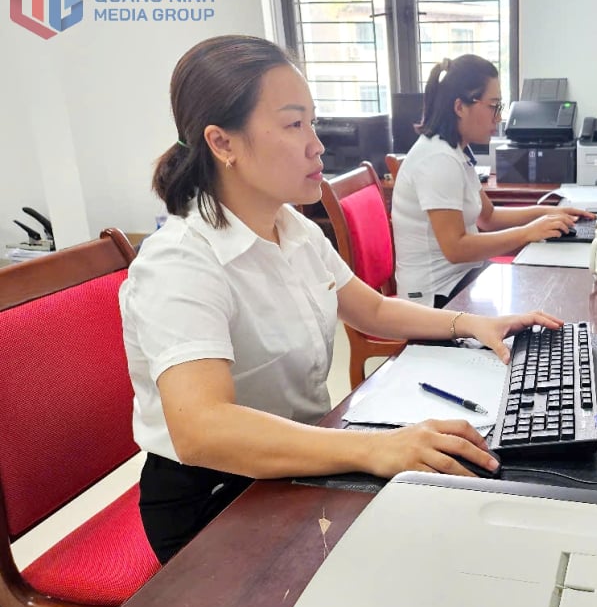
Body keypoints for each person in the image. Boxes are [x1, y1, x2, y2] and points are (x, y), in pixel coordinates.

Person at [120, 35, 565, 564]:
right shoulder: (181, 261)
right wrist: (375, 448)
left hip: (301, 458)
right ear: (222, 143)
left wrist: (470, 324)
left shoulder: (293, 229)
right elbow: (202, 430)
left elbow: (371, 308)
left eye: (313, 122)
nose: (317, 145)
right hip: (216, 499)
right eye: (294, 124)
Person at [391, 54, 593, 308]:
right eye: (494, 106)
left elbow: (489, 217)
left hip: (464, 280)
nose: (498, 118)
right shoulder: (437, 159)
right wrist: (528, 232)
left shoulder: (454, 151)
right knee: (548, 303)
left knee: (549, 292)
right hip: (435, 300)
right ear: (459, 107)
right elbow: (456, 248)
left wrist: (550, 212)